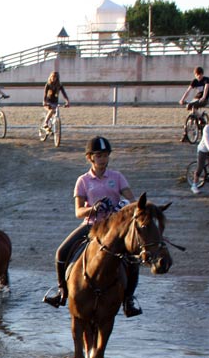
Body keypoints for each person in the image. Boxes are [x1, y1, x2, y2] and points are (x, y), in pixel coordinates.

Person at [42, 136, 142, 317]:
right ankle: (62, 292)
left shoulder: (117, 177)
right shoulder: (83, 181)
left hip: (113, 229)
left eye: (105, 156)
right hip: (92, 226)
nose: (103, 160)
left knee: (133, 260)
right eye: (99, 156)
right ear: (90, 158)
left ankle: (128, 300)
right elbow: (78, 212)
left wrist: (122, 206)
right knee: (61, 253)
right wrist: (92, 209)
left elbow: (134, 202)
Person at [179, 66, 209, 142]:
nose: (199, 76)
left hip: (204, 99)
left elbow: (206, 88)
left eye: (200, 74)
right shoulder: (194, 81)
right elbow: (188, 90)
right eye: (197, 75)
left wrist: (203, 97)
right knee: (188, 108)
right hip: (196, 98)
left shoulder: (206, 80)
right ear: (195, 75)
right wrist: (182, 99)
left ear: (202, 74)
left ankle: (202, 119)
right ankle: (186, 133)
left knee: (192, 106)